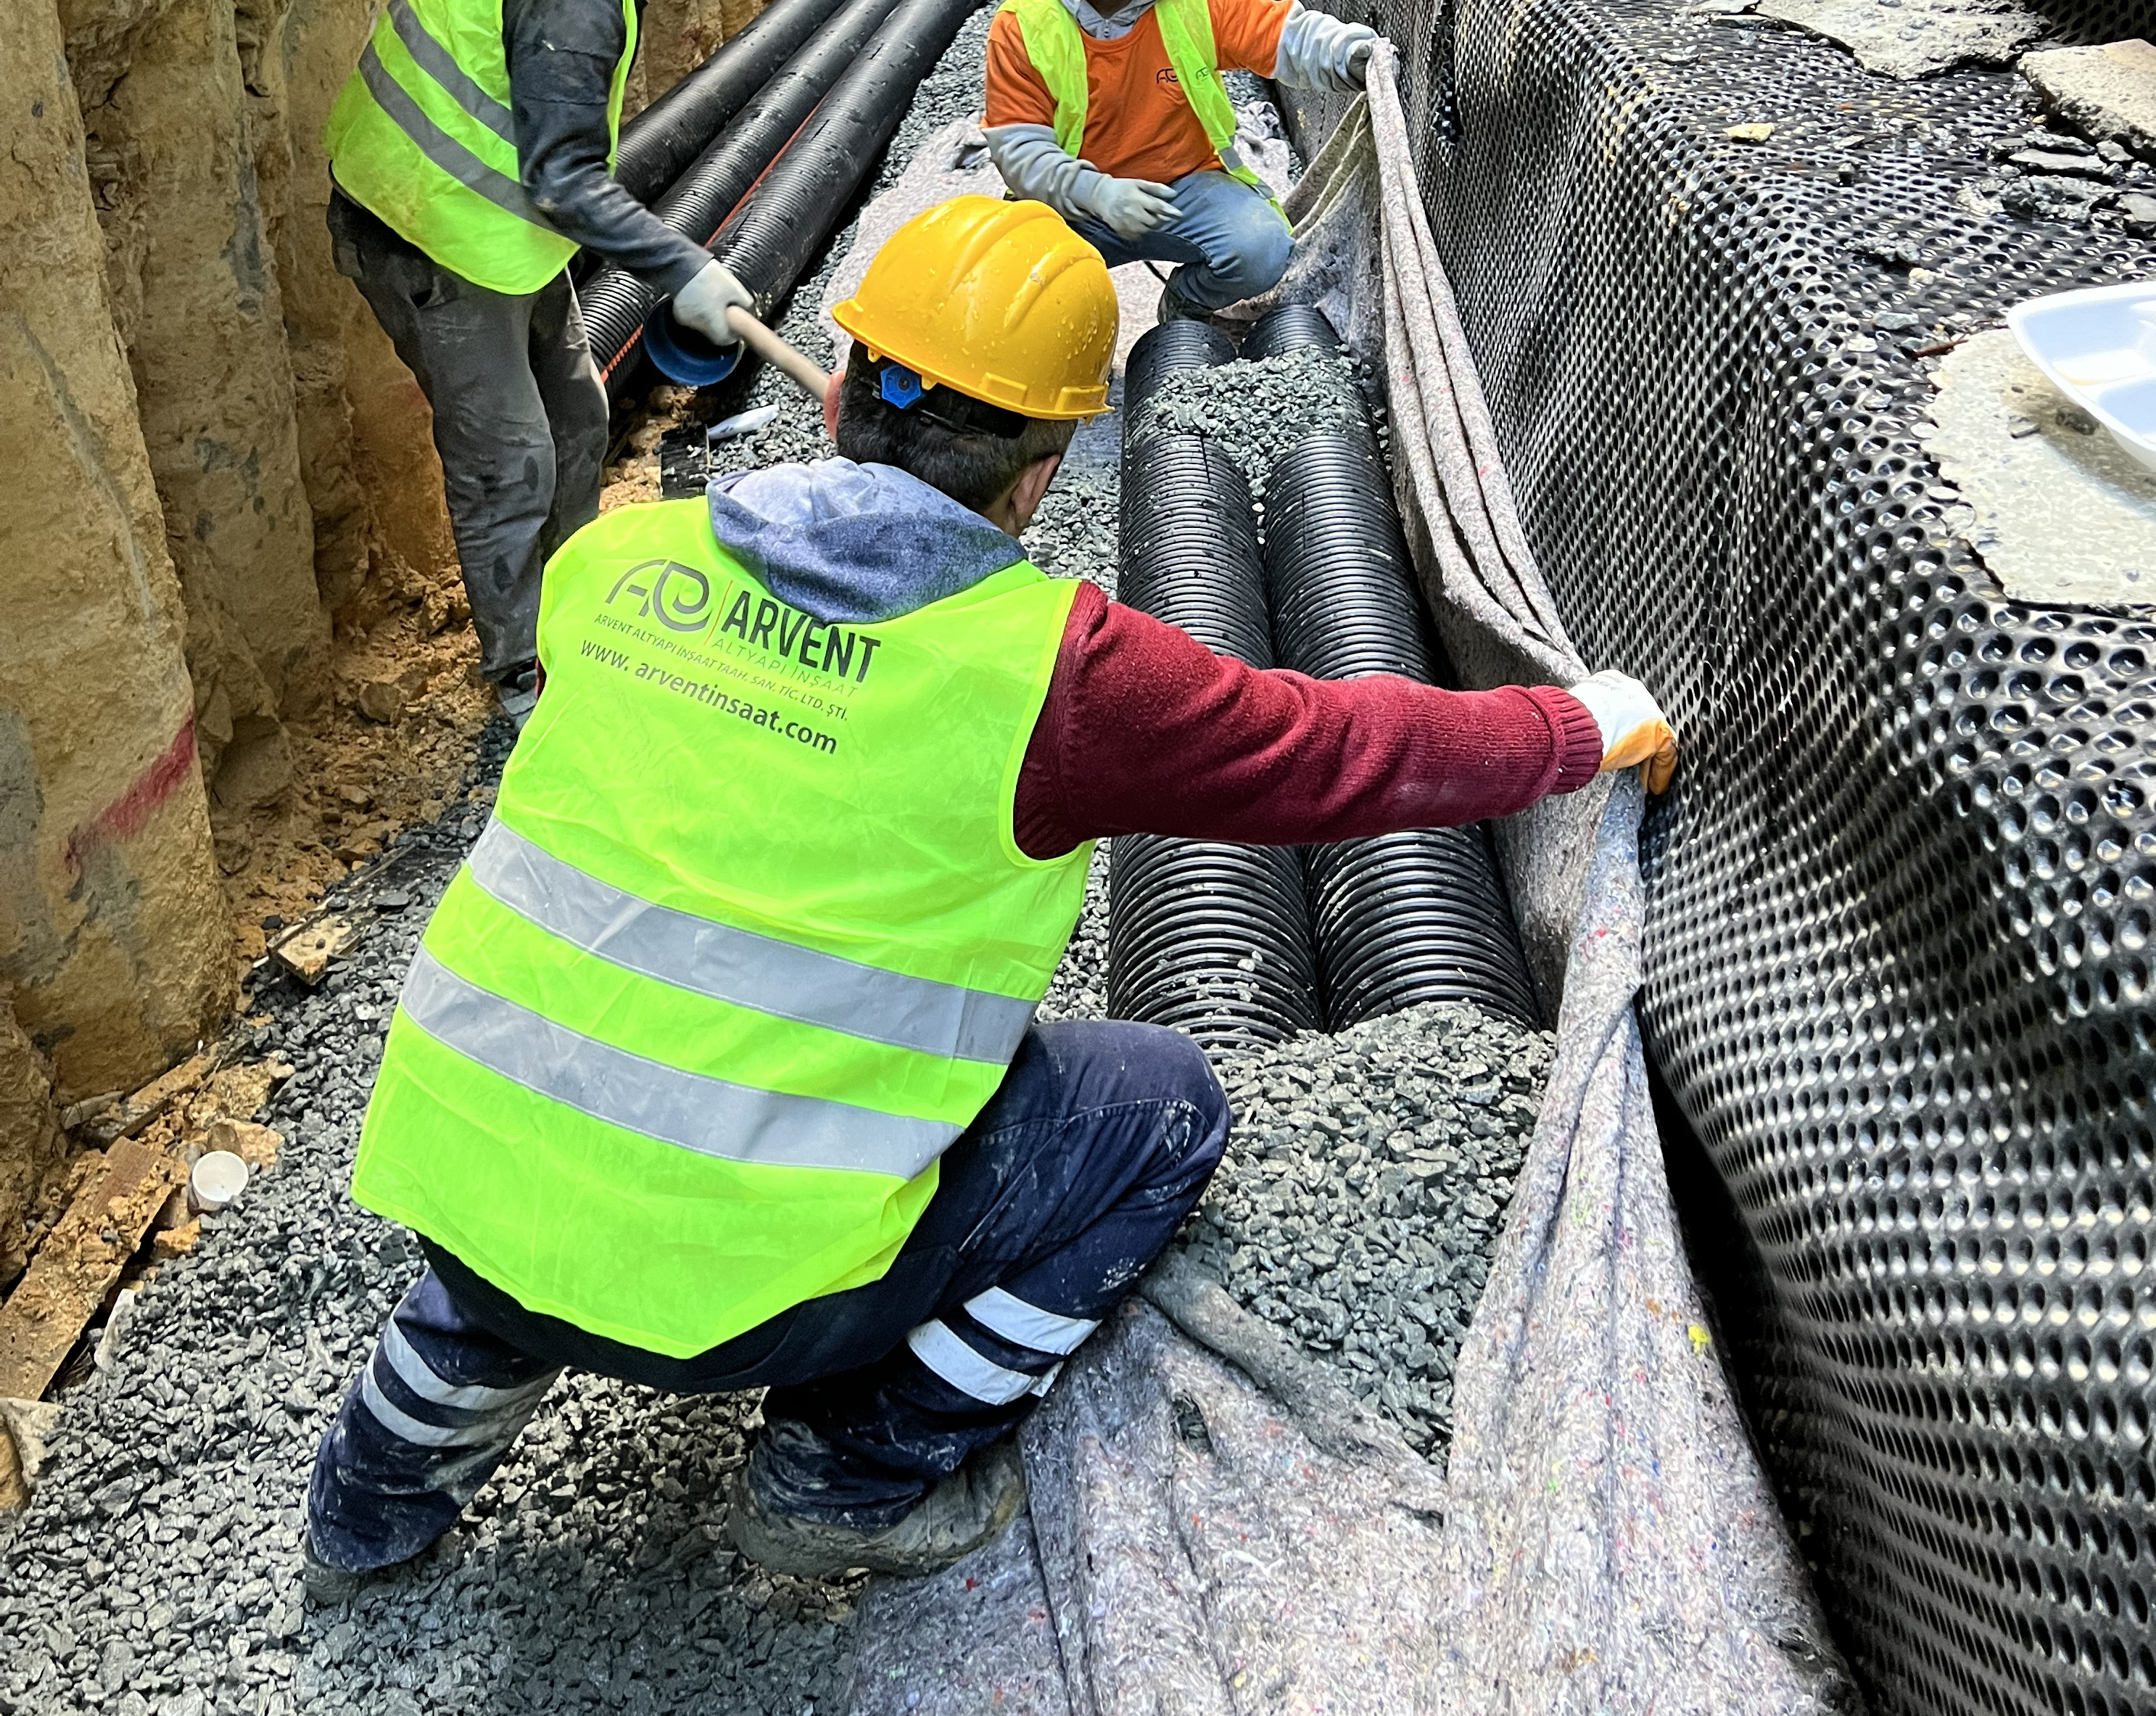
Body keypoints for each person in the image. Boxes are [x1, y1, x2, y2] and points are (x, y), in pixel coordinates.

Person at [303, 197, 1677, 1599]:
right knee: (1158, 1112)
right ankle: (849, 1471)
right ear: (1041, 473)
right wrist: (1579, 727)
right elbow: (1339, 752)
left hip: (461, 1186)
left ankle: (366, 1505)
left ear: (836, 393)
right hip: (747, 1300)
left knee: (527, 1196)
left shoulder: (610, 570)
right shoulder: (1058, 682)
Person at [323, 0, 756, 722]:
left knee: (579, 418)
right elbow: (564, 176)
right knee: (509, 455)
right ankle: (524, 678)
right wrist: (682, 268)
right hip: (427, 224)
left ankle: (572, 617)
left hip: (493, 222)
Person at [983, 0, 1376, 319]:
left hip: (1184, 190)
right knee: (1008, 280)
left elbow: (1285, 35)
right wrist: (1097, 192)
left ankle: (1185, 312)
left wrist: (1349, 53)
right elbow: (1020, 151)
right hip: (1073, 203)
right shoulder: (1024, 24)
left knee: (1260, 248)